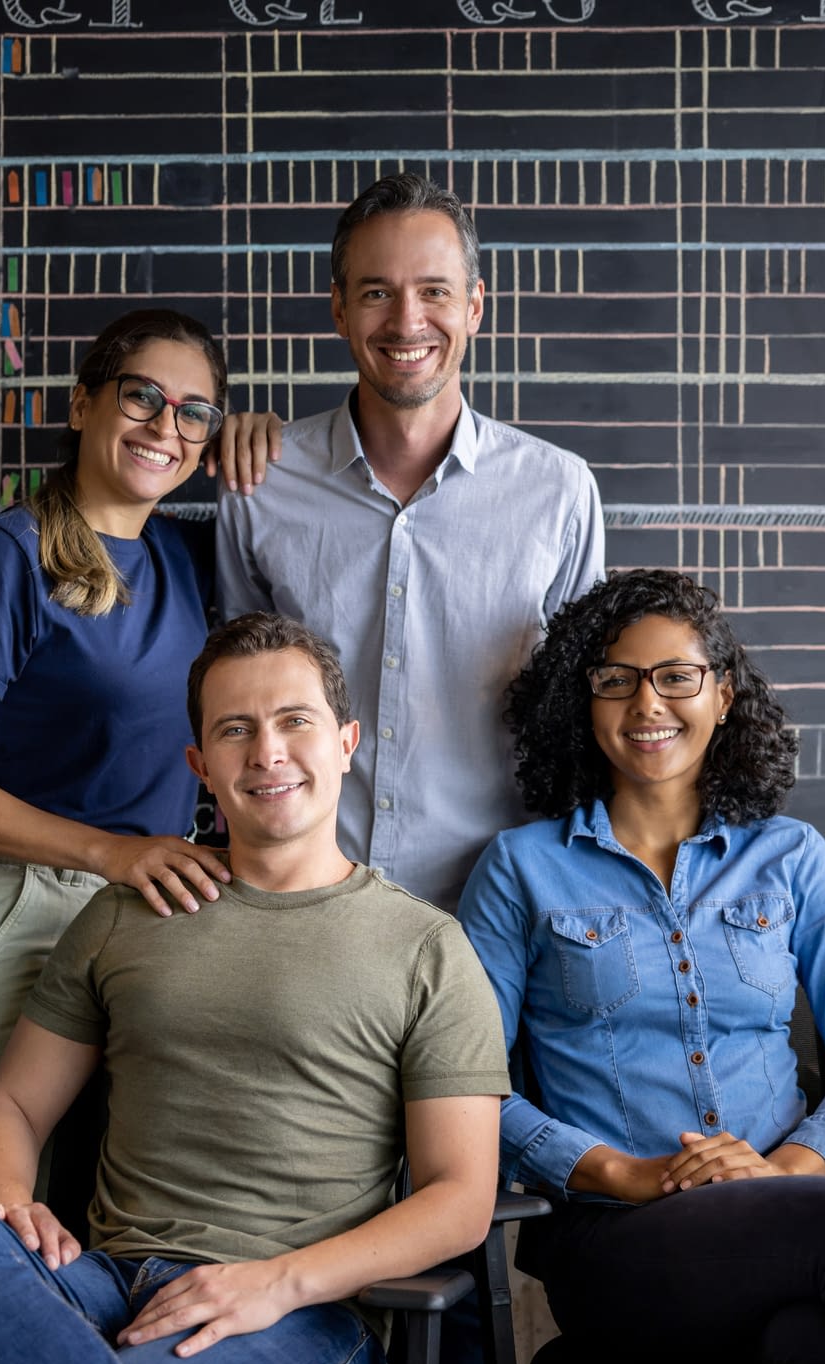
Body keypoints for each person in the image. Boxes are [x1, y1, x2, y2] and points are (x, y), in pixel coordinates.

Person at [0, 613, 508, 1364]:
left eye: (294, 722)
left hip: (295, 1317)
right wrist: (14, 1205)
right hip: (100, 1283)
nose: (267, 752)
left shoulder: (428, 947)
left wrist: (275, 1284)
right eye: (236, 730)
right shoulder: (126, 914)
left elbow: (459, 1198)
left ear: (347, 742)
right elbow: (16, 1104)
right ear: (201, 766)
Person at [457, 570, 825, 1364]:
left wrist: (785, 1170)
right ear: (582, 701)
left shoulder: (791, 856)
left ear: (722, 695)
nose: (648, 705)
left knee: (812, 1348)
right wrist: (623, 1173)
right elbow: (470, 1088)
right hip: (616, 1238)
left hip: (788, 1217)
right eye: (616, 680)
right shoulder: (521, 868)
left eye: (676, 676)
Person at [0, 308, 247, 1138]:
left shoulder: (183, 558)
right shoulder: (7, 556)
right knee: (30, 1210)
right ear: (83, 405)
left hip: (148, 912)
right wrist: (111, 853)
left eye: (193, 412)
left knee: (115, 1207)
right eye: (141, 397)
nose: (166, 425)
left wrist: (262, 436)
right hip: (22, 909)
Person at [216, 171, 605, 915]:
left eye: (434, 290)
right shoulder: (260, 482)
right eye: (375, 292)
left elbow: (581, 714)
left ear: (475, 306)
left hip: (501, 910)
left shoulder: (559, 492)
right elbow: (236, 697)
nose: (406, 320)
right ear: (338, 308)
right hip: (308, 905)